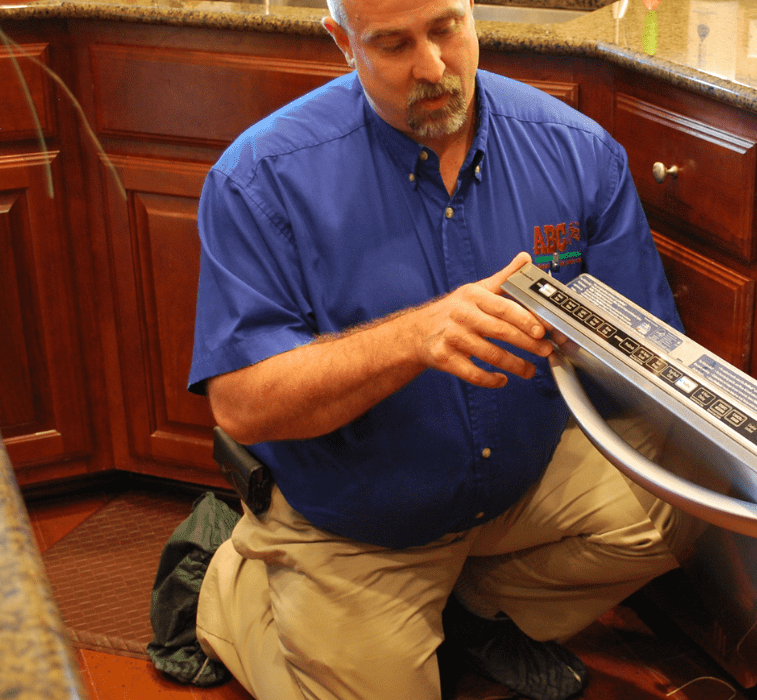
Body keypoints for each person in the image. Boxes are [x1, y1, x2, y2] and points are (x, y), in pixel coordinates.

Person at [185, 0, 685, 696]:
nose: (434, 67)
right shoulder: (260, 178)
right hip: (359, 525)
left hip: (521, 486)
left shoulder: (576, 150)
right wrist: (414, 338)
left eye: (447, 28)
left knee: (691, 498)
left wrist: (594, 341)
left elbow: (650, 358)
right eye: (391, 44)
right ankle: (238, 589)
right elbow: (239, 405)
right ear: (341, 41)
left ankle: (471, 608)